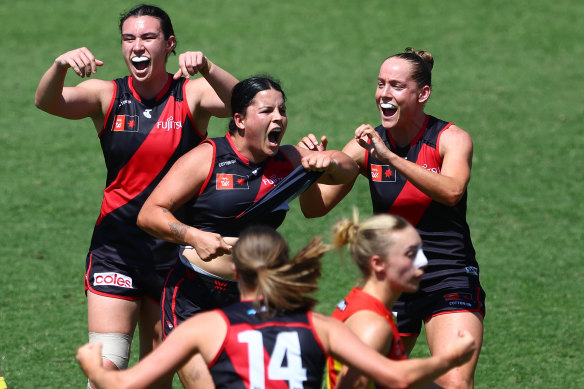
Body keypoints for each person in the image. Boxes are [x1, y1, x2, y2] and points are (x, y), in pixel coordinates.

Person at [34, 4, 238, 386]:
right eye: (129, 38)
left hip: (173, 252)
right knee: (106, 367)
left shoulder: (191, 95)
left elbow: (240, 105)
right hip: (117, 249)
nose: (137, 46)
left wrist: (208, 67)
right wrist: (59, 65)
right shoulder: (106, 95)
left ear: (169, 44)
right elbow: (48, 102)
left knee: (156, 374)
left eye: (148, 37)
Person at [135, 75, 359, 387]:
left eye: (282, 110)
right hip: (194, 295)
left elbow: (349, 167)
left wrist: (330, 162)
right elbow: (149, 213)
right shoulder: (209, 157)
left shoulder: (289, 161)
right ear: (239, 119)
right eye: (267, 111)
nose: (279, 117)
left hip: (254, 295)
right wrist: (193, 236)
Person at [76, 225, 477, 389]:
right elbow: (396, 376)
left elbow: (124, 384)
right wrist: (449, 358)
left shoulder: (206, 328)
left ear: (236, 271)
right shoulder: (319, 326)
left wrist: (94, 364)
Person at [300, 48, 485, 389]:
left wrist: (389, 158)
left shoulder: (450, 139)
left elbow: (452, 191)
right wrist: (307, 172)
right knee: (365, 382)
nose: (384, 93)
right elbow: (315, 207)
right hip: (392, 281)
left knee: (455, 383)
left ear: (422, 93)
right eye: (381, 84)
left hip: (447, 273)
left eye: (396, 86)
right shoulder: (367, 145)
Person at [327, 212, 443, 388]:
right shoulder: (372, 326)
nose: (423, 262)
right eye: (411, 253)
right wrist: (450, 359)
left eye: (421, 250)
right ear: (378, 263)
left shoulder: (367, 306)